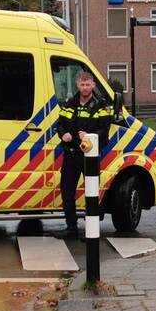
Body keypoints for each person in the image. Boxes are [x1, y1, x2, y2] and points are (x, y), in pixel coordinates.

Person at [56, 72, 112, 237]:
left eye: (88, 84)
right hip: (71, 154)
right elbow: (59, 125)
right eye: (82, 84)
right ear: (77, 85)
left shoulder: (102, 105)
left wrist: (88, 135)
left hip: (90, 156)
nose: (85, 87)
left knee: (92, 193)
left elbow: (105, 130)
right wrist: (62, 134)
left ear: (93, 85)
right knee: (67, 192)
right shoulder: (70, 103)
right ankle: (71, 227)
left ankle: (92, 228)